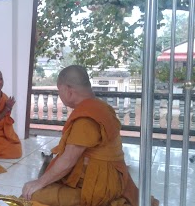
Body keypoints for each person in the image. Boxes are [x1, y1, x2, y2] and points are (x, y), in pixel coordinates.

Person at [22, 65, 159, 206]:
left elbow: (68, 160)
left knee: (32, 196)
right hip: (111, 176)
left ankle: (112, 202)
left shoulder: (86, 118)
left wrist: (39, 182)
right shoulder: (101, 107)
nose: (60, 95)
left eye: (60, 90)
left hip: (101, 186)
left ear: (69, 91)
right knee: (50, 177)